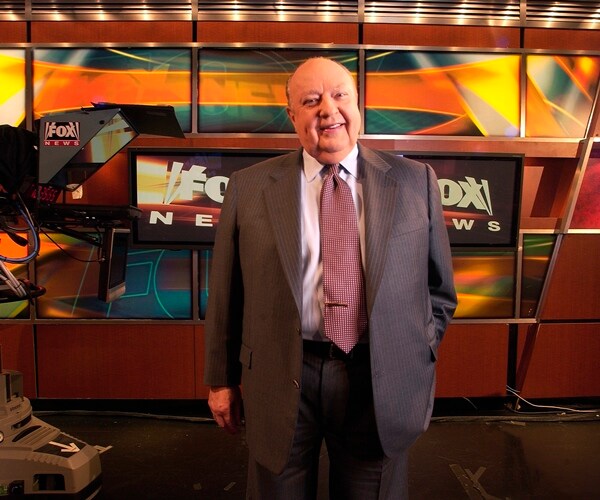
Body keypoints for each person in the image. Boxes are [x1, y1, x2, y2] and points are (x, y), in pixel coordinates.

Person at [204, 57, 457, 500]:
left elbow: (439, 289)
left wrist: (415, 349)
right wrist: (220, 379)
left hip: (376, 379)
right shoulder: (249, 187)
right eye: (311, 100)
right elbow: (227, 294)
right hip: (281, 373)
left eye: (340, 95)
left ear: (358, 104)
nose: (328, 109)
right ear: (292, 115)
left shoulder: (414, 181)